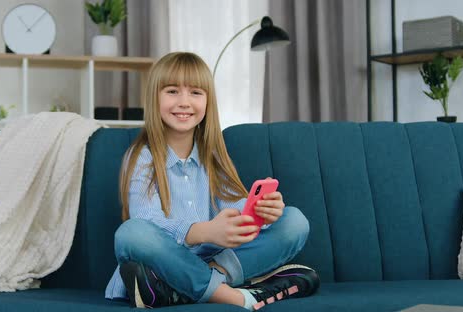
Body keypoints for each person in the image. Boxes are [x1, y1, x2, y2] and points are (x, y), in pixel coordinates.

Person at [105, 52, 319, 311]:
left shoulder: (213, 154)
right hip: (166, 260)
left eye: (195, 92)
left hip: (216, 260)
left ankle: (186, 288)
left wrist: (260, 212)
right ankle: (231, 295)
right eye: (172, 91)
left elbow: (232, 205)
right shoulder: (142, 156)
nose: (184, 102)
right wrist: (203, 232)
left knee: (294, 221)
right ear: (154, 98)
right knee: (131, 234)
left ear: (208, 101)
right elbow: (145, 217)